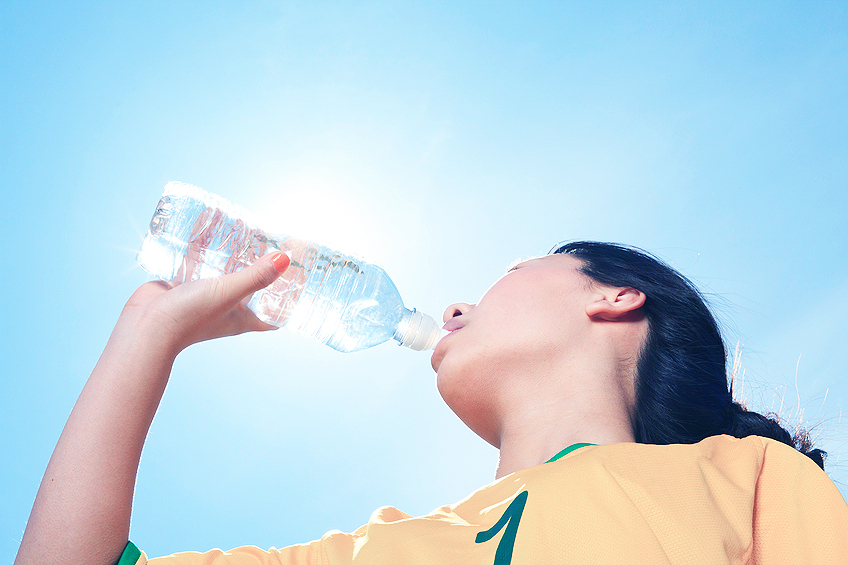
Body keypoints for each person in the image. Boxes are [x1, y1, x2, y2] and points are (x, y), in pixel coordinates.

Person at [15, 241, 848, 565]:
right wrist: (145, 334)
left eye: (515, 270)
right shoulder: (381, 548)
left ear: (615, 299)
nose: (453, 308)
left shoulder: (743, 477)